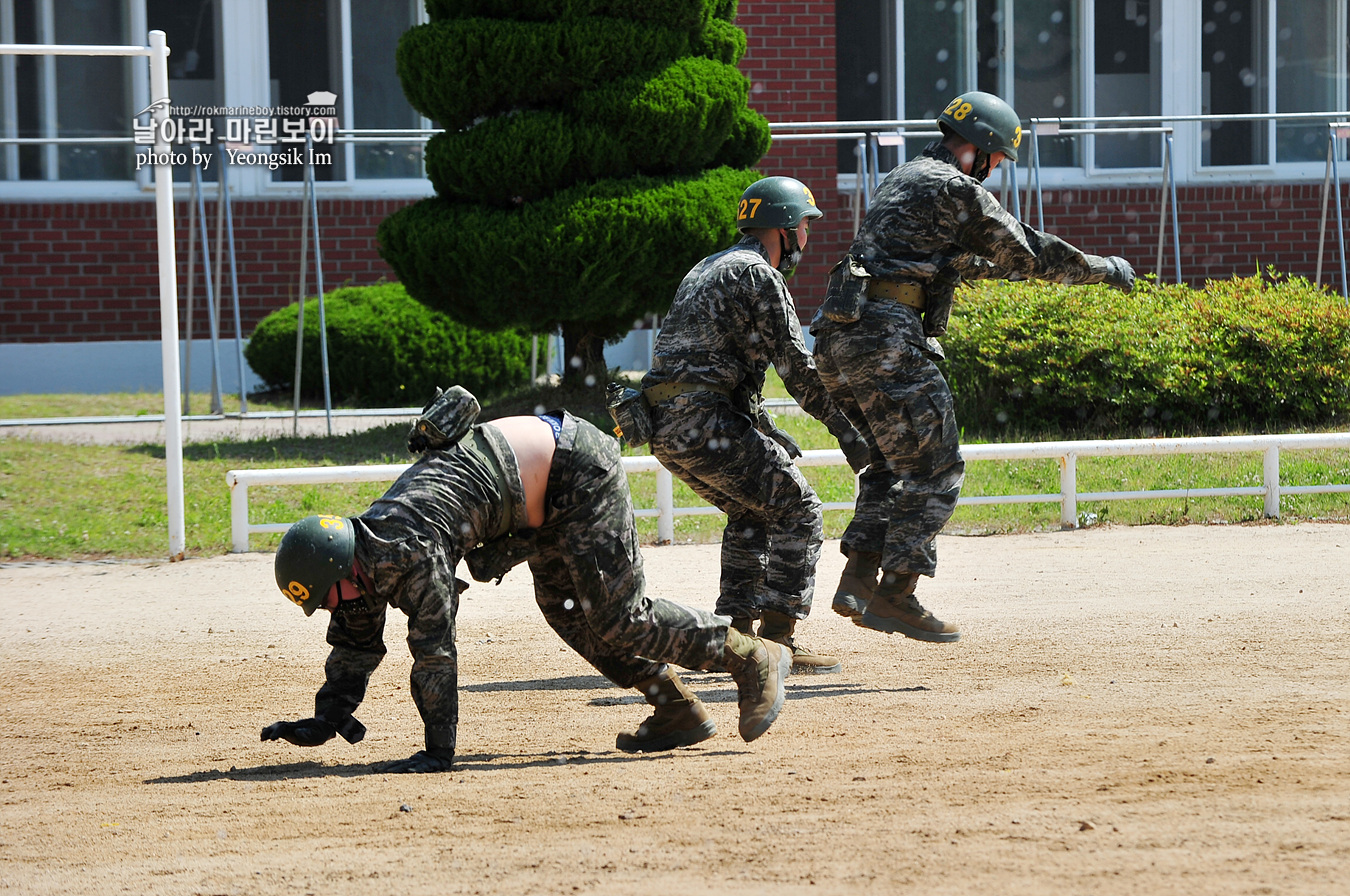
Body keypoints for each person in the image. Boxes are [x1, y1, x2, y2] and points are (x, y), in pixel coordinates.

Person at [261, 388, 792, 772]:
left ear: (341, 568)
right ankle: (674, 706)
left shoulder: (409, 546)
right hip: (533, 504)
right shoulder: (358, 569)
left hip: (575, 468)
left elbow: (435, 653)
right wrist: (325, 719)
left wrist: (437, 750)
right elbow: (355, 643)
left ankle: (751, 656)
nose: (333, 609)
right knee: (570, 615)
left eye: (327, 599)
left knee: (617, 615)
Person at [812, 90, 1136, 643]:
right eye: (998, 162)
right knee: (937, 467)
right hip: (888, 338)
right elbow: (1026, 252)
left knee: (894, 463)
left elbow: (965, 262)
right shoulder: (955, 189)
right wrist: (1102, 269)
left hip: (840, 340)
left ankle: (859, 577)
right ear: (980, 151)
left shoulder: (906, 177)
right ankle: (897, 594)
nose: (995, 174)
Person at [640, 176, 871, 675]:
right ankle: (778, 641)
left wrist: (762, 428)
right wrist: (850, 432)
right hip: (703, 421)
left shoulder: (707, 268)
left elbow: (713, 363)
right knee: (800, 508)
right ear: (783, 228)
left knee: (751, 514)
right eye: (805, 226)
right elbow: (798, 369)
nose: (808, 239)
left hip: (666, 426)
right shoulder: (759, 275)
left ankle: (735, 637)